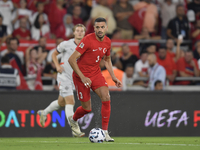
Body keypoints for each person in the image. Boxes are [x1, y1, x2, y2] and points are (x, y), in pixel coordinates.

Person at [68, 18, 122, 142]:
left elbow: (107, 60)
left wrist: (113, 77)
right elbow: (71, 59)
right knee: (87, 109)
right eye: (97, 27)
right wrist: (82, 77)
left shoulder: (107, 42)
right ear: (94, 28)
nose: (100, 29)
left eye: (102, 27)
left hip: (95, 73)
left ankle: (105, 132)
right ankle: (73, 119)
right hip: (81, 76)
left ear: (106, 28)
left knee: (106, 97)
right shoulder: (87, 40)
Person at [37, 24, 86, 137]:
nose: (79, 32)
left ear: (84, 33)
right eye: (77, 30)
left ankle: (43, 112)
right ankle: (75, 129)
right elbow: (54, 54)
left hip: (75, 78)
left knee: (61, 102)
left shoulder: (85, 46)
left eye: (81, 31)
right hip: (64, 76)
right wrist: (57, 66)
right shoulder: (66, 44)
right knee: (70, 102)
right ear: (73, 33)